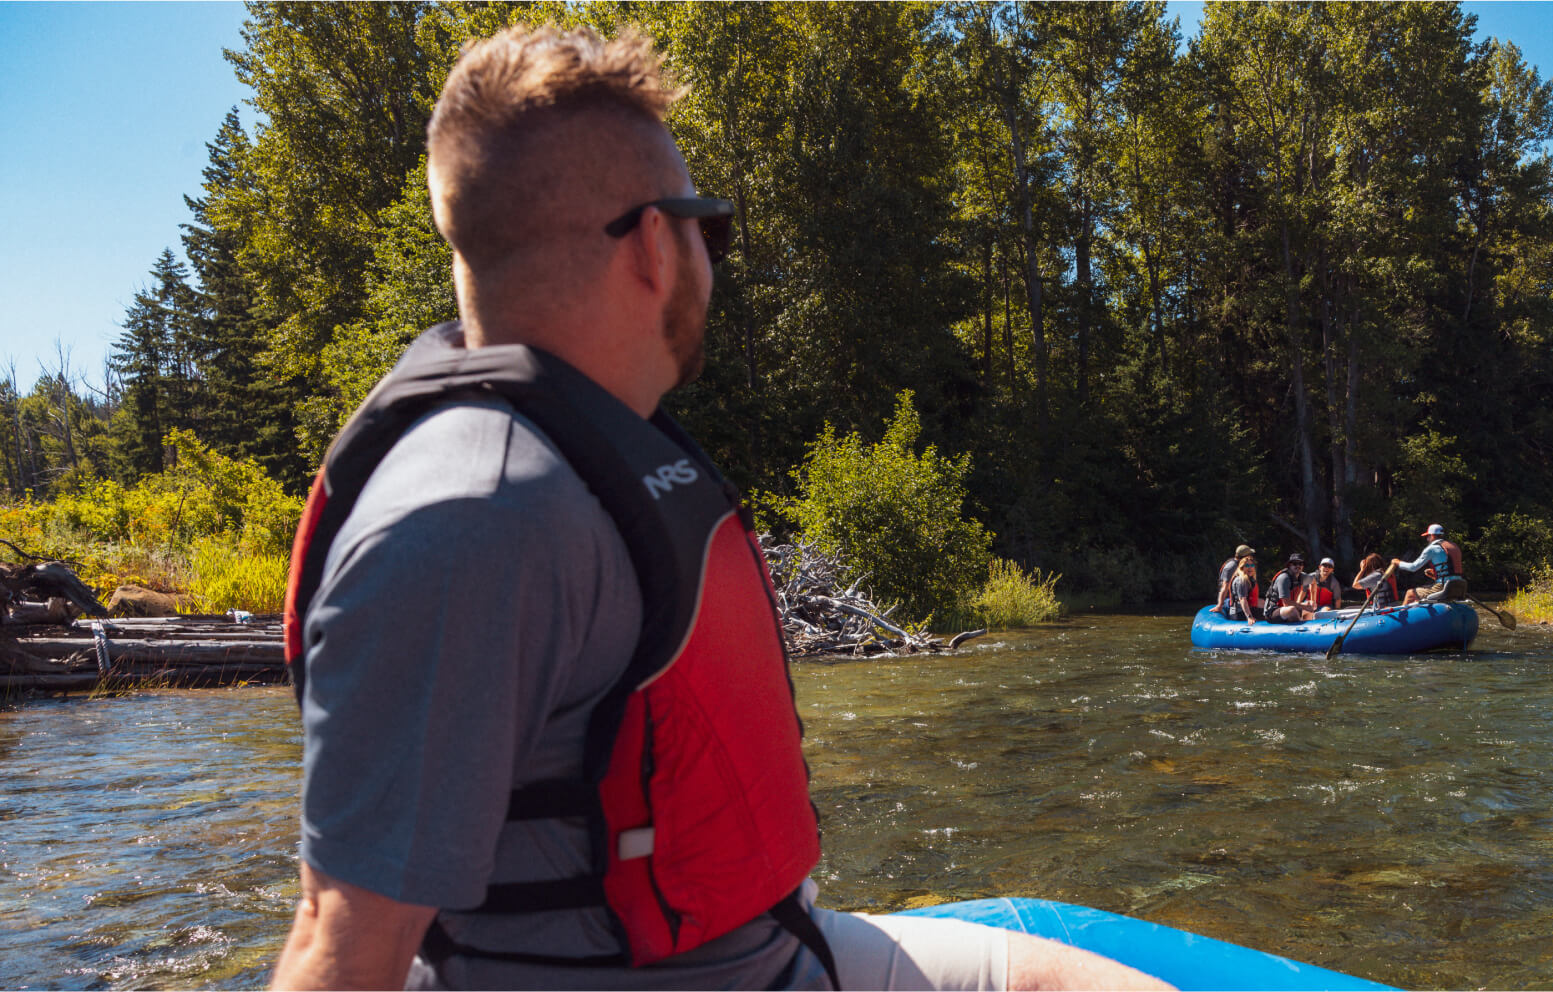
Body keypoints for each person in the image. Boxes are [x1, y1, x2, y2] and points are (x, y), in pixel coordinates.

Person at [269, 25, 1165, 992]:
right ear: (655, 243)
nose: (715, 258)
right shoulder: (476, 521)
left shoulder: (576, 458)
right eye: (711, 225)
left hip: (773, 949)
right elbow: (342, 944)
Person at [1389, 524, 1467, 603]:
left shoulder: (1432, 548)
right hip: (1460, 586)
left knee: (1410, 593)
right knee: (1419, 596)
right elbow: (1451, 571)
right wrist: (1436, 574)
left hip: (1444, 587)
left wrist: (1398, 563)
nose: (1427, 539)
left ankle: (1401, 614)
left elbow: (1413, 567)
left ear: (1432, 536)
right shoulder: (1453, 546)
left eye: (1428, 536)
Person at [1263, 553, 1310, 624]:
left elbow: (1314, 581)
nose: (1298, 566)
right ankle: (1301, 629)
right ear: (1289, 565)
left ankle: (1308, 632)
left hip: (1286, 609)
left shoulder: (1303, 576)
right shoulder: (1284, 578)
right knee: (1292, 610)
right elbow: (1286, 603)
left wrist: (1313, 600)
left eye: (1300, 564)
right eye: (1295, 563)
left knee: (1309, 611)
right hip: (1272, 612)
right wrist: (1303, 606)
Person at [1215, 543, 1256, 616]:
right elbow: (1224, 587)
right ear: (1244, 556)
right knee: (1233, 611)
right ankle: (1233, 618)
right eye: (1249, 555)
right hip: (1230, 601)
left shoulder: (1243, 565)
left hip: (1239, 596)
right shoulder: (1231, 567)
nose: (1251, 557)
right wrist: (1220, 605)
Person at [1223, 557, 1266, 623]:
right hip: (1238, 611)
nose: (1250, 567)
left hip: (1238, 608)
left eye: (1252, 565)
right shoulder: (1242, 580)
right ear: (1241, 567)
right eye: (1247, 565)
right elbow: (1242, 599)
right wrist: (1249, 617)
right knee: (1268, 616)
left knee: (1263, 603)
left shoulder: (1249, 579)